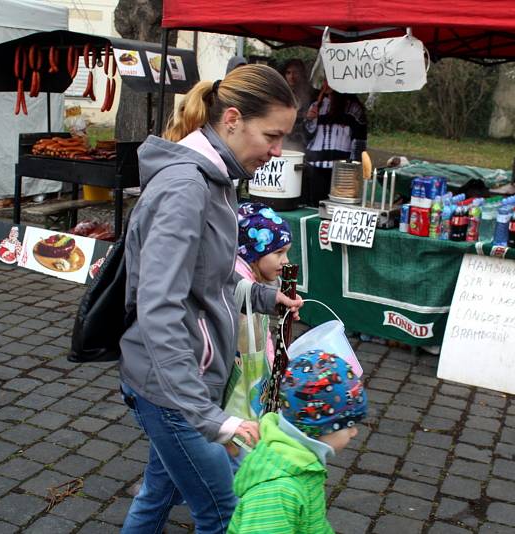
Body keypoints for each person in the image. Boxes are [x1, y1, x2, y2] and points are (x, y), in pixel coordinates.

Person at [119, 64, 302, 534]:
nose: (277, 151)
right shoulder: (187, 186)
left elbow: (209, 280)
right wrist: (208, 416)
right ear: (234, 119)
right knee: (224, 512)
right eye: (272, 136)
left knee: (158, 494)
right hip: (175, 391)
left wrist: (264, 297)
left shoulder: (218, 178)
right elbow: (158, 307)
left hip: (182, 383)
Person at [227, 349, 368, 533]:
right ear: (320, 428)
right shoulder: (278, 492)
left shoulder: (302, 464)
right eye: (348, 425)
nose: (354, 432)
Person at [228, 202, 293, 423]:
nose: (286, 261)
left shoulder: (255, 279)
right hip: (232, 384)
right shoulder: (239, 283)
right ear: (253, 253)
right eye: (278, 253)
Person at [303, 80, 367, 206]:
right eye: (323, 80)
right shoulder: (316, 105)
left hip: (341, 170)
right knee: (315, 206)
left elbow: (359, 142)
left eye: (328, 80)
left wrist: (354, 168)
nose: (324, 84)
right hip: (315, 166)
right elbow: (306, 137)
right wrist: (310, 120)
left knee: (337, 206)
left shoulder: (354, 109)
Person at [281, 59, 313, 151]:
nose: (292, 76)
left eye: (295, 73)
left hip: (304, 143)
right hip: (284, 140)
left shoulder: (311, 94)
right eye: (288, 73)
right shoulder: (281, 94)